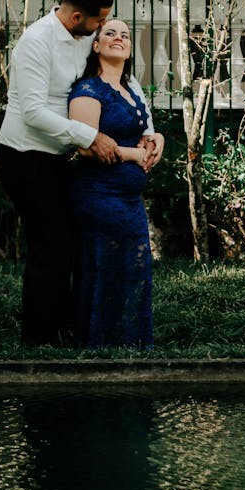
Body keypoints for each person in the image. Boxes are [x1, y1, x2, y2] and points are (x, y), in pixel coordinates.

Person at [0, 0, 163, 346]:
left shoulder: (87, 34)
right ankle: (39, 339)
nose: (104, 27)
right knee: (50, 248)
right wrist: (91, 137)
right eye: (100, 21)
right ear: (77, 18)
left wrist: (151, 130)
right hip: (25, 157)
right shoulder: (36, 43)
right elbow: (33, 113)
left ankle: (67, 326)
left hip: (58, 158)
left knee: (67, 245)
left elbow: (127, 82)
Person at [68, 18, 158, 350]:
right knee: (105, 269)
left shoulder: (130, 89)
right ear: (96, 46)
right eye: (110, 33)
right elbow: (84, 144)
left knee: (134, 269)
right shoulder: (88, 89)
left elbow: (141, 130)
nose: (118, 38)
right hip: (99, 195)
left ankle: (129, 342)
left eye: (125, 34)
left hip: (129, 198)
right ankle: (97, 343)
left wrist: (154, 139)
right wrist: (135, 155)